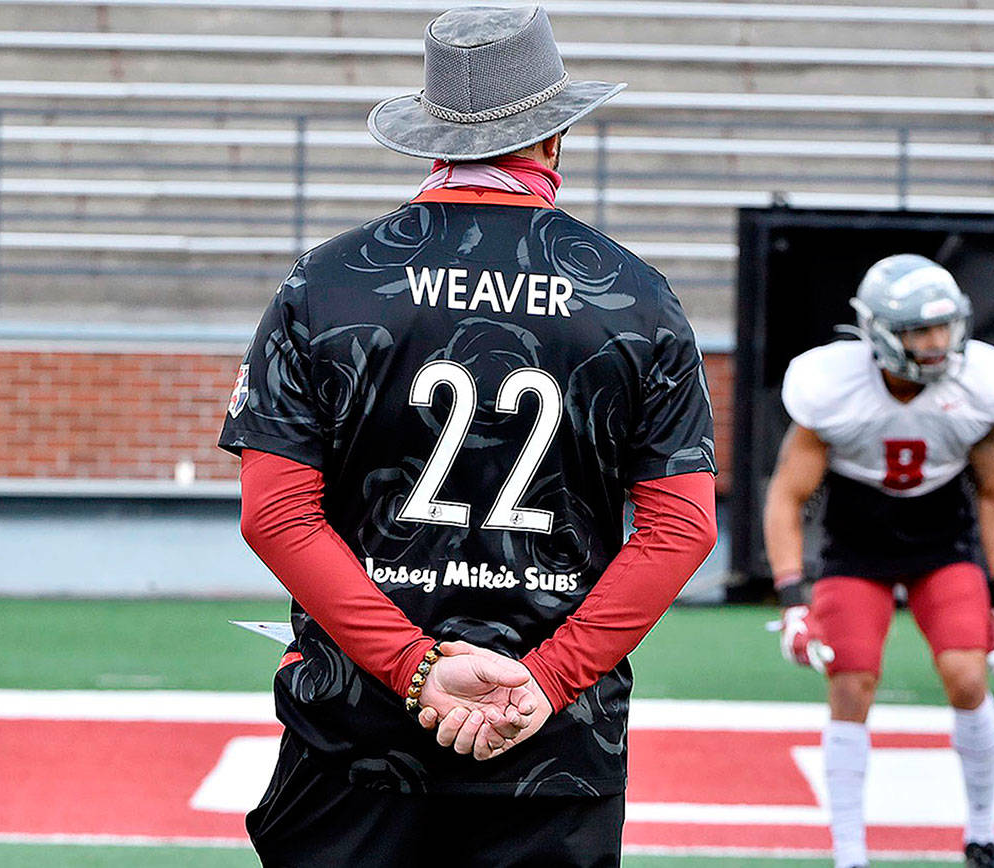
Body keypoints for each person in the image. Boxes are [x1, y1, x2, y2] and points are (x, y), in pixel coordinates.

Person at [218, 7, 718, 866]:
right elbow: (684, 527)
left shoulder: (325, 283)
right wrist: (549, 676)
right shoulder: (635, 298)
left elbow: (277, 516)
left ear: (431, 135)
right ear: (554, 137)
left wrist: (415, 667)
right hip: (552, 747)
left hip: (353, 732)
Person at [762, 254, 994, 868]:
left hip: (943, 539)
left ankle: (983, 834)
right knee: (850, 683)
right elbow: (787, 495)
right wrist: (792, 598)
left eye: (944, 327)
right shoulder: (832, 384)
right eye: (919, 330)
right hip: (857, 543)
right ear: (879, 333)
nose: (937, 344)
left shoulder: (979, 382)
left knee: (967, 675)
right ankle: (850, 852)